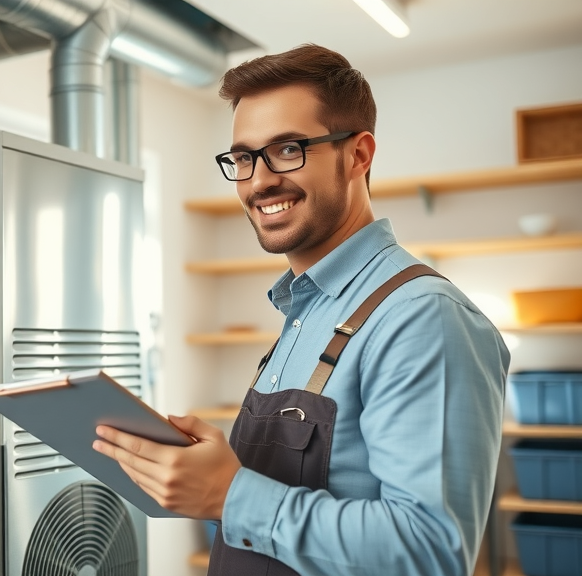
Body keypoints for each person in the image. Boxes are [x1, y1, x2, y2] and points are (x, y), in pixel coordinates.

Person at [92, 44, 509, 576]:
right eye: (243, 157)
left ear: (358, 155)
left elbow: (430, 551)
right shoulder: (305, 308)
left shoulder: (423, 317)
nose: (259, 180)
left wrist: (230, 494)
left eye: (288, 148)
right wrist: (203, 471)